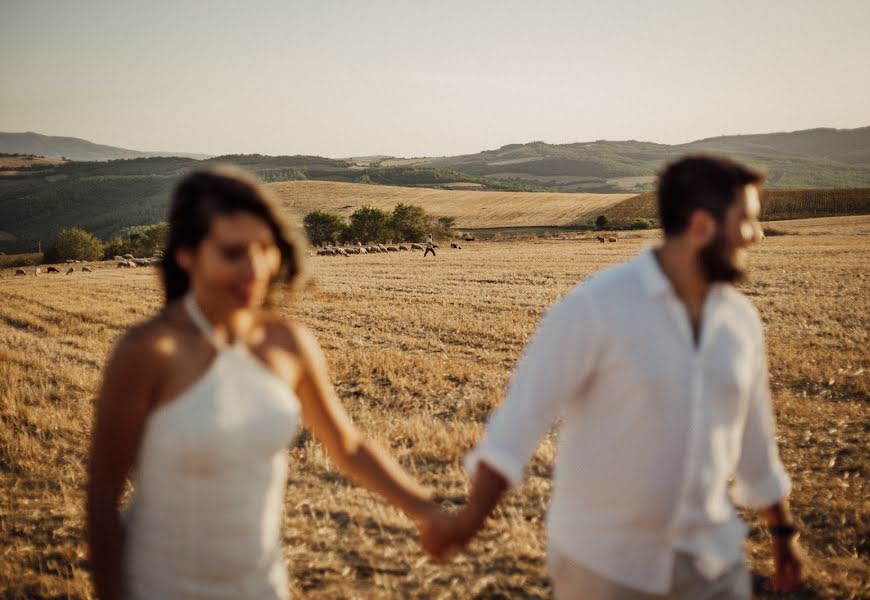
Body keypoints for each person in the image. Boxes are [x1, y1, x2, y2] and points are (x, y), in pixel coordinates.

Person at [421, 154, 803, 599]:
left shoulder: (741, 322)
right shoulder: (595, 309)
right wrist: (466, 524)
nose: (756, 234)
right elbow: (518, 423)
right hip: (604, 568)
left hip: (713, 563)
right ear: (701, 226)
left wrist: (782, 534)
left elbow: (755, 442)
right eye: (747, 221)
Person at [87, 167, 438, 600]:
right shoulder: (148, 352)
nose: (255, 268)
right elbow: (102, 496)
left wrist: (428, 512)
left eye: (265, 248)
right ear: (186, 255)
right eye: (233, 252)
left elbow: (348, 447)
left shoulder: (288, 343)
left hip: (262, 587)